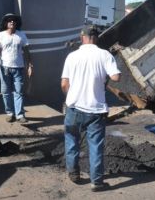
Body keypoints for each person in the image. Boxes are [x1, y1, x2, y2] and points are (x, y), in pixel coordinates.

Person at [61, 25, 121, 192]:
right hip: (96, 110)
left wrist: (70, 97)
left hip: (74, 108)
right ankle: (97, 182)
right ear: (97, 37)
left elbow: (64, 84)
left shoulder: (72, 56)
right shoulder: (105, 55)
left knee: (71, 141)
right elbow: (116, 77)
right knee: (95, 146)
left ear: (82, 37)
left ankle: (74, 173)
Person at [0, 13, 33, 123]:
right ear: (5, 23)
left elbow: (27, 51)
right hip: (4, 68)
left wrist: (29, 65)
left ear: (17, 23)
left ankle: (20, 115)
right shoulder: (0, 35)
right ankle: (10, 113)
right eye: (9, 20)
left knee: (18, 91)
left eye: (14, 20)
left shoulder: (21, 35)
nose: (12, 22)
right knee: (5, 92)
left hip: (18, 68)